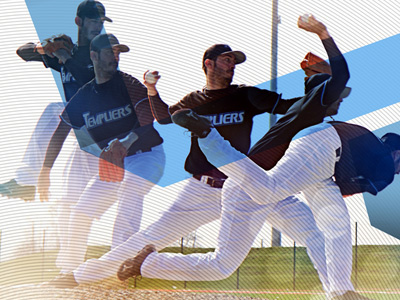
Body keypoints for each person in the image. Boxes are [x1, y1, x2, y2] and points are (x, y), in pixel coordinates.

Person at [116, 16, 382, 300]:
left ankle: (339, 293)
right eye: (338, 95)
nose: (342, 99)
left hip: (268, 184)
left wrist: (313, 76)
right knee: (221, 267)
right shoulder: (312, 108)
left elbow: (304, 106)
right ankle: (147, 262)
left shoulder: (308, 115)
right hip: (248, 187)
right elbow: (339, 77)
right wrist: (322, 35)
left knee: (315, 234)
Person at [38, 33, 166, 273]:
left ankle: (120, 268)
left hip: (146, 155)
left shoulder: (128, 84)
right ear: (94, 56)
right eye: (110, 52)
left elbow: (148, 121)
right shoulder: (86, 94)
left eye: (118, 53)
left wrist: (125, 142)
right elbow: (62, 129)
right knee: (80, 213)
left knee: (130, 192)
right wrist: (45, 171)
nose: (115, 57)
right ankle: (68, 272)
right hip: (117, 163)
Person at [0, 0, 111, 202]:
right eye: (93, 21)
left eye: (101, 21)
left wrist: (65, 58)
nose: (98, 26)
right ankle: (27, 186)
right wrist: (45, 46)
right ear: (79, 21)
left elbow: (89, 82)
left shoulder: (102, 52)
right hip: (87, 139)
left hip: (107, 130)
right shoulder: (70, 51)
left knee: (56, 109)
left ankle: (26, 180)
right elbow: (22, 52)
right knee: (71, 201)